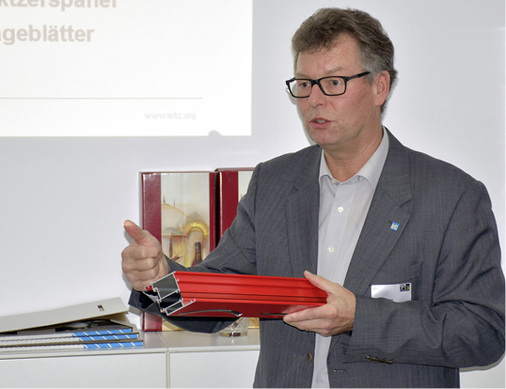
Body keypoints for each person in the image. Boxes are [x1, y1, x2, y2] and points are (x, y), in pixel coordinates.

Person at [121, 8, 505, 388]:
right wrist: (161, 280)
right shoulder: (273, 182)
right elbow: (223, 295)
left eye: (333, 83)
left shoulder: (451, 196)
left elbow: (483, 333)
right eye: (304, 84)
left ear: (379, 86)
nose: (315, 100)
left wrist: (361, 318)